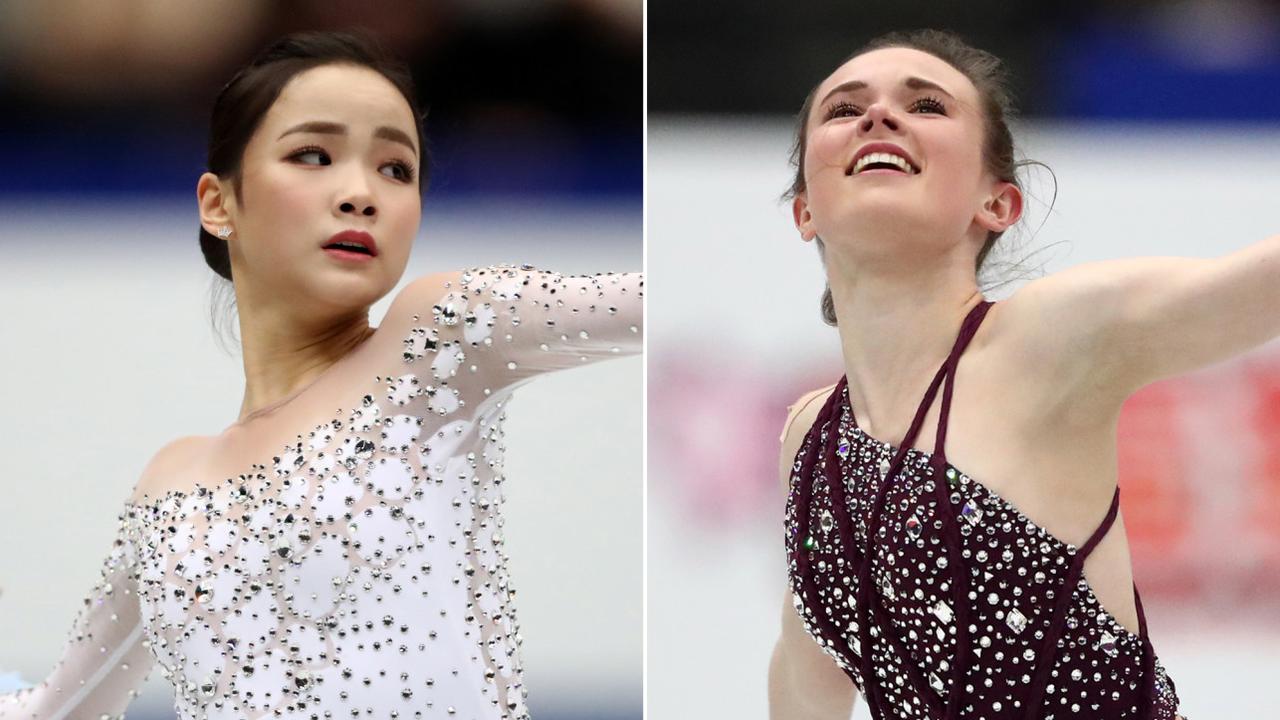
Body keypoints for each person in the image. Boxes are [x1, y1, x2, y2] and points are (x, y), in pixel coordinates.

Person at [0, 30, 641, 720]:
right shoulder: (171, 486)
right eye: (314, 155)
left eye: (396, 169)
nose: (361, 192)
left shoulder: (441, 336)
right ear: (219, 203)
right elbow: (55, 711)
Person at [765, 27, 1277, 720]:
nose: (877, 116)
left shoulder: (1055, 340)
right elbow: (804, 677)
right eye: (842, 109)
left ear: (997, 203)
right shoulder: (811, 435)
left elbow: (1254, 287)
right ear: (804, 211)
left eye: (927, 107)